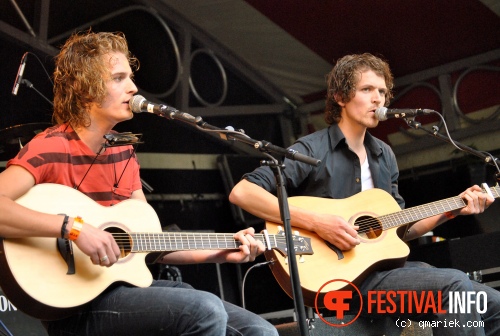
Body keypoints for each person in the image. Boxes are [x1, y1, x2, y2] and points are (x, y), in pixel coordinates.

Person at [0, 31, 278, 336]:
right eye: (118, 78)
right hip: (76, 310)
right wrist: (73, 228)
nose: (133, 88)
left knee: (259, 331)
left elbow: (150, 243)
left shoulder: (123, 152)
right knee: (204, 309)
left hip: (127, 290)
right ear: (84, 89)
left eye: (130, 78)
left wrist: (222, 250)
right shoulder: (50, 147)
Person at [229, 53, 500, 335]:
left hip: (391, 277)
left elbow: (399, 231)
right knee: (454, 285)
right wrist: (317, 223)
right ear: (340, 97)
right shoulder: (312, 149)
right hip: (345, 285)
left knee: (494, 305)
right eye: (367, 89)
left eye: (382, 92)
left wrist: (452, 210)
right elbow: (243, 192)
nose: (378, 99)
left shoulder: (384, 155)